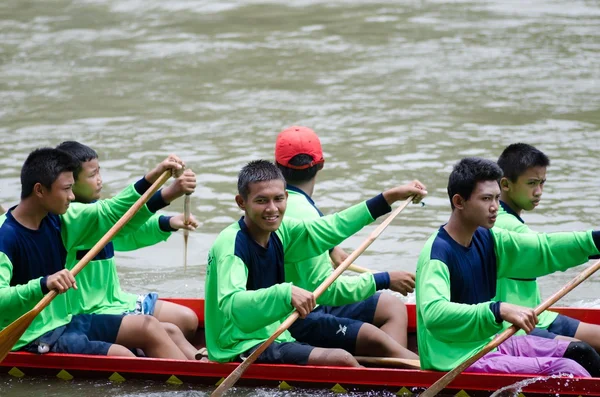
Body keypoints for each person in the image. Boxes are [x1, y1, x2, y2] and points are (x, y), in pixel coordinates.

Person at [204, 159, 426, 366]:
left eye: (278, 199)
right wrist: (285, 293)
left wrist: (388, 197)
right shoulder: (231, 246)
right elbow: (231, 304)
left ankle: (423, 373)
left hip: (276, 331)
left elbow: (333, 227)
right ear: (241, 202)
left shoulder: (282, 230)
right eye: (262, 201)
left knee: (354, 351)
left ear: (286, 198)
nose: (272, 209)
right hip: (237, 343)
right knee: (342, 360)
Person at [416, 157, 600, 377]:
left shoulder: (489, 238)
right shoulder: (437, 253)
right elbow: (434, 314)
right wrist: (498, 309)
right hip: (454, 360)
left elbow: (543, 249)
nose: (494, 207)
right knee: (566, 370)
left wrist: (594, 242)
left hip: (490, 343)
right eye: (485, 199)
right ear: (459, 201)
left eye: (496, 198)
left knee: (580, 352)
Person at [0, 148, 189, 359]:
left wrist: (154, 176)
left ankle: (195, 384)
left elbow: (113, 214)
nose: (72, 196)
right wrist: (42, 284)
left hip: (66, 321)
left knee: (149, 327)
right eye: (66, 189)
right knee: (122, 356)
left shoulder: (61, 220)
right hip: (30, 336)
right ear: (39, 190)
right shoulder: (4, 237)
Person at [274, 126, 417, 360]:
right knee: (376, 333)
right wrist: (385, 279)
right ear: (321, 163)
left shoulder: (289, 206)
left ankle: (390, 368)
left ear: (277, 167)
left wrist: (330, 249)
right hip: (299, 315)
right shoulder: (303, 214)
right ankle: (410, 368)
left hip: (315, 302)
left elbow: (320, 234)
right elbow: (326, 291)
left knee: (392, 305)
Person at [56, 141, 199, 358]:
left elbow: (125, 234)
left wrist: (167, 223)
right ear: (69, 182)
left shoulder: (96, 213)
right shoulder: (70, 218)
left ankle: (152, 348)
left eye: (99, 172)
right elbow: (117, 215)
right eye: (92, 175)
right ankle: (148, 347)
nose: (100, 180)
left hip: (114, 300)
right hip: (90, 309)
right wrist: (168, 191)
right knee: (168, 326)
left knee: (188, 320)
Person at [495, 143, 600, 351]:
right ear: (505, 184)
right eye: (532, 183)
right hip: (511, 324)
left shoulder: (511, 218)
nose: (539, 192)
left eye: (542, 183)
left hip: (537, 314)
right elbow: (548, 248)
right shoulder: (500, 222)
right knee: (581, 351)